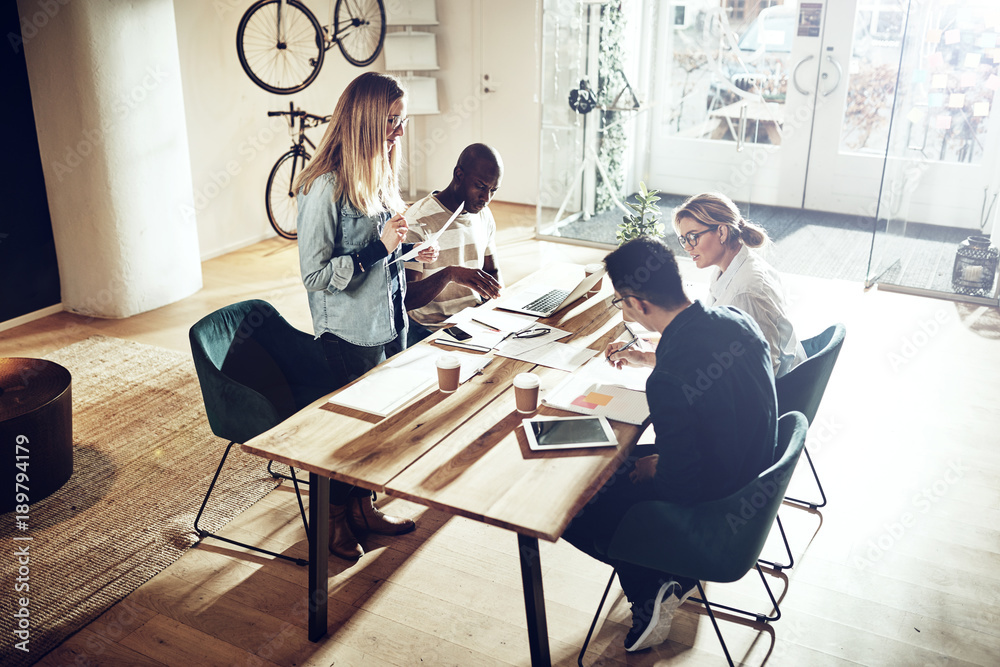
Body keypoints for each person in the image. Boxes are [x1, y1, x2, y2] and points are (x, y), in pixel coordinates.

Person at [563, 236, 778, 653]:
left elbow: (680, 487)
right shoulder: (735, 319)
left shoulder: (668, 382)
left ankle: (653, 586)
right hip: (753, 475)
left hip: (719, 508)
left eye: (621, 303)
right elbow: (714, 387)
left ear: (637, 303)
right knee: (619, 463)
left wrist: (656, 467)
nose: (623, 311)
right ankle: (657, 577)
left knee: (574, 498)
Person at [295, 72, 439, 561]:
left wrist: (410, 251)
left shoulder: (376, 172)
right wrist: (379, 249)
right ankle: (333, 522)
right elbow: (314, 277)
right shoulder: (324, 187)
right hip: (348, 333)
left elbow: (382, 255)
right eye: (391, 122)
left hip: (388, 322)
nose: (399, 132)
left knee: (378, 430)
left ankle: (365, 509)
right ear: (363, 121)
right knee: (350, 435)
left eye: (401, 120)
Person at [403, 143, 505, 346]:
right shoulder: (418, 220)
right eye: (481, 186)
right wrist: (450, 275)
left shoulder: (483, 215)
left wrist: (497, 310)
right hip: (431, 330)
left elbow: (492, 270)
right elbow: (407, 298)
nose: (486, 198)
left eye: (493, 190)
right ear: (459, 175)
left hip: (473, 322)